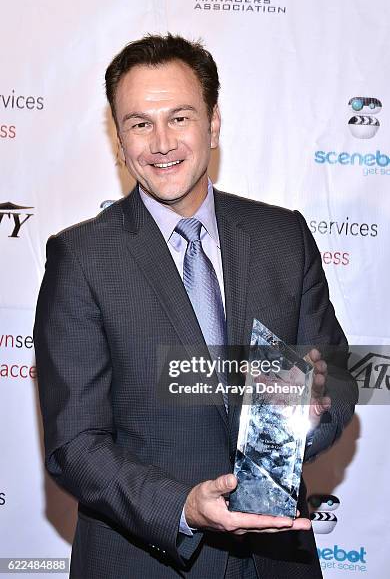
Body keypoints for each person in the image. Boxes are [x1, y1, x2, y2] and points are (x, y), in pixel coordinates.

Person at [34, 34, 358, 579]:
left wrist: (313, 410)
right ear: (119, 138)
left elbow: (338, 380)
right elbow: (75, 442)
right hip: (143, 561)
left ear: (212, 123)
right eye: (140, 123)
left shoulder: (284, 236)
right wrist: (181, 506)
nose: (161, 142)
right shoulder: (82, 256)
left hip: (275, 561)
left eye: (180, 117)